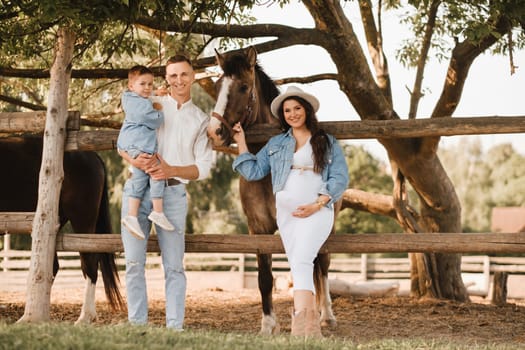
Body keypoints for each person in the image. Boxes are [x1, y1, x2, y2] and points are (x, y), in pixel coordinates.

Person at [232, 85, 349, 338]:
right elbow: (253, 171)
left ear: (306, 110)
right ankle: (308, 329)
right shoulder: (277, 144)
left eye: (297, 108)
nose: (292, 114)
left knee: (303, 261)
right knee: (300, 265)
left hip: (317, 211)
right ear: (282, 115)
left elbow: (340, 177)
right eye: (287, 110)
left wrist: (318, 203)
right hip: (287, 215)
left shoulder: (325, 141)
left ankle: (303, 328)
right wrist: (241, 143)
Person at [119, 55, 214, 331]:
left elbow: (203, 167)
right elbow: (124, 139)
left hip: (172, 196)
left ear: (193, 77)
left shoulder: (200, 119)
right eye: (172, 75)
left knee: (174, 266)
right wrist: (131, 158)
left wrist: (172, 169)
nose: (178, 80)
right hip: (137, 192)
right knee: (134, 262)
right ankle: (137, 325)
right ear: (166, 78)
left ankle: (175, 327)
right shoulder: (152, 105)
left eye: (184, 74)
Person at [117, 65, 175, 240]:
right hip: (137, 145)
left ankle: (131, 215)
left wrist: (157, 95)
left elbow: (149, 98)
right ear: (131, 86)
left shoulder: (136, 98)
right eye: (143, 84)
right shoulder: (135, 103)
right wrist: (160, 112)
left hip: (134, 144)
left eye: (150, 84)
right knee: (158, 172)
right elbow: (149, 118)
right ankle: (157, 211)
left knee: (140, 179)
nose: (147, 88)